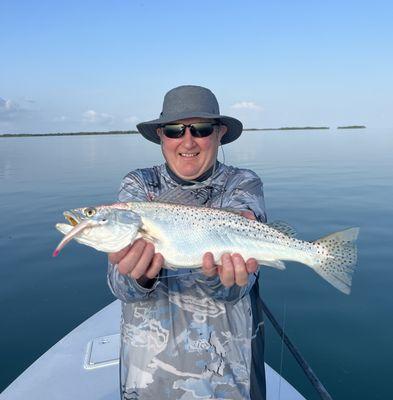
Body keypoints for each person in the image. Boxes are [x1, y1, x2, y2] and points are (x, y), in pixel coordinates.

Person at [107, 85, 267, 400]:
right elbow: (120, 287)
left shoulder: (242, 183)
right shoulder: (138, 185)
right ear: (161, 135)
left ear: (220, 133)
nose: (188, 141)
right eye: (174, 130)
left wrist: (222, 279)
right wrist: (138, 275)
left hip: (227, 376)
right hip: (148, 374)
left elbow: (238, 288)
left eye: (202, 129)